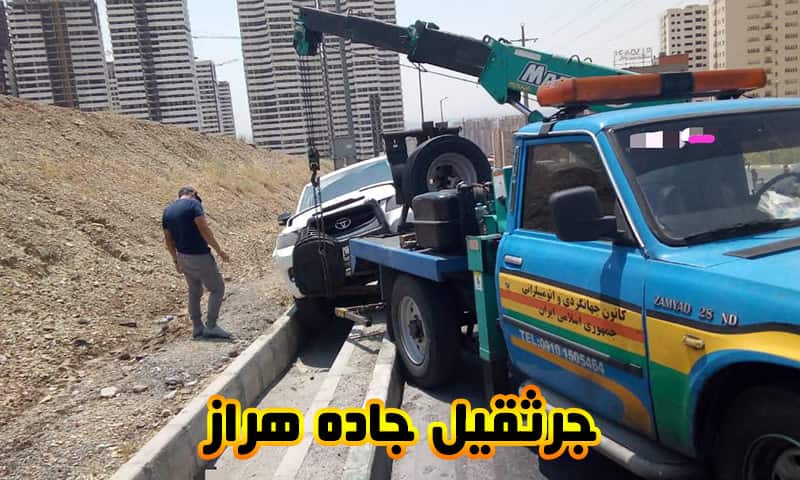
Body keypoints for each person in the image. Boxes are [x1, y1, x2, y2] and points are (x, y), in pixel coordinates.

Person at [162, 186, 231, 339]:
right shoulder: (194, 204)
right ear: (193, 194)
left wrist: (175, 260)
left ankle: (197, 327)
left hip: (183, 256)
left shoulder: (167, 211)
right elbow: (204, 229)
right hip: (200, 255)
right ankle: (211, 326)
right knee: (217, 288)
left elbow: (168, 240)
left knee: (194, 291)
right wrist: (219, 250)